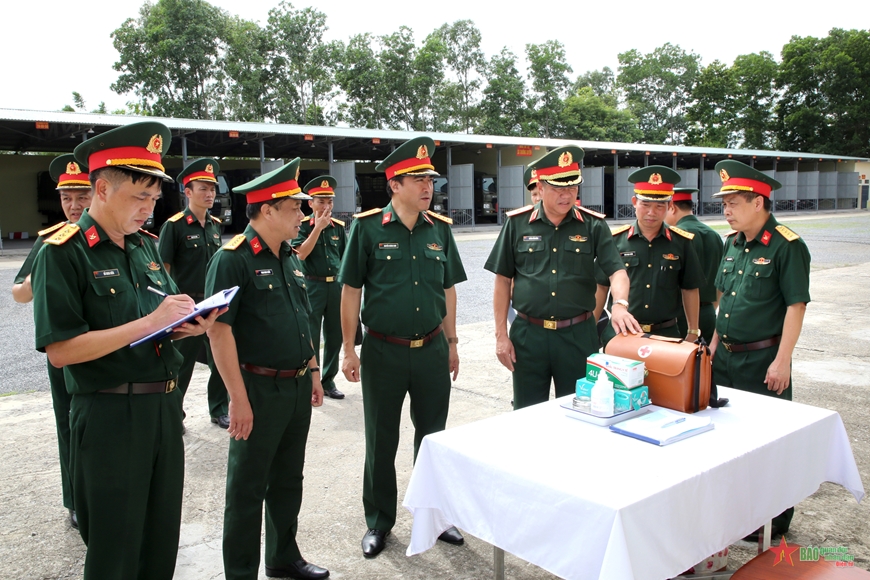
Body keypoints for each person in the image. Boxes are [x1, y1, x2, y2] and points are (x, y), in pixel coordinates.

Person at [31, 121, 221, 580]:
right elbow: (60, 351)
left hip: (161, 408)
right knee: (115, 549)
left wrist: (188, 327)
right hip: (109, 414)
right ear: (101, 188)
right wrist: (151, 321)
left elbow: (159, 326)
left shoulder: (146, 249)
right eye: (139, 197)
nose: (148, 209)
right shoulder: (64, 253)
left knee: (160, 541)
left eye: (154, 200)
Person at [338, 136, 467, 558]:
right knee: (381, 439)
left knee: (433, 439)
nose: (428, 187)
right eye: (418, 180)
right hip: (383, 350)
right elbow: (351, 290)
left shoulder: (440, 231)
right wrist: (348, 348)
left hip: (431, 348)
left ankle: (434, 516)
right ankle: (379, 521)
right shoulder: (368, 227)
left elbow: (448, 290)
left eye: (430, 179)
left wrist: (452, 342)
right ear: (395, 184)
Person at [206, 158, 329, 580]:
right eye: (296, 207)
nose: (303, 214)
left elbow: (301, 316)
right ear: (269, 209)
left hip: (295, 387)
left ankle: (282, 555)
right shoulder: (233, 259)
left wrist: (313, 371)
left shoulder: (290, 256)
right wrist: (236, 399)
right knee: (247, 488)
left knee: (288, 480)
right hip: (256, 388)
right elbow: (219, 333)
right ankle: (240, 572)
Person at [484, 146, 641, 410]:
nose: (566, 195)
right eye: (558, 188)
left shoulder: (593, 225)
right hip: (528, 336)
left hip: (578, 335)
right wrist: (501, 335)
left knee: (580, 411)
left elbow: (617, 270)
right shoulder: (518, 224)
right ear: (541, 187)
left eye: (572, 188)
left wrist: (619, 304)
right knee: (527, 413)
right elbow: (502, 280)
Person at [709, 160, 811, 539]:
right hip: (727, 358)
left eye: (734, 202)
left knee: (767, 446)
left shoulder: (788, 246)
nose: (727, 210)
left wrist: (782, 361)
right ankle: (737, 512)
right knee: (725, 440)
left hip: (763, 361)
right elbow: (723, 304)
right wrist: (712, 352)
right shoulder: (731, 244)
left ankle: (773, 521)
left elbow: (795, 306)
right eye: (725, 204)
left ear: (759, 202)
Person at [12, 153, 92, 529]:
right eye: (66, 198)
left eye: (82, 196)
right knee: (69, 422)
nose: (74, 205)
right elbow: (19, 294)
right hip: (65, 346)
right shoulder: (50, 243)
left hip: (104, 344)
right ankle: (75, 498)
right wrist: (39, 278)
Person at [595, 166, 704, 347]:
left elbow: (690, 288)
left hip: (665, 336)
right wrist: (591, 327)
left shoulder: (682, 242)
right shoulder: (615, 241)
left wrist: (693, 331)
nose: (651, 212)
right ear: (634, 202)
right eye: (645, 205)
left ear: (670, 206)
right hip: (622, 333)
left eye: (659, 206)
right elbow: (601, 286)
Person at [158, 158, 230, 429]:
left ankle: (219, 408)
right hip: (187, 305)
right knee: (181, 364)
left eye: (212, 188)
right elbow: (162, 270)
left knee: (219, 359)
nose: (210, 194)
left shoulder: (214, 225)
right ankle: (174, 414)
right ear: (187, 192)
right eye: (203, 188)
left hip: (213, 303)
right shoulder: (174, 226)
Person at [292, 175, 347, 400]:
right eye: (321, 201)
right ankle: (309, 381)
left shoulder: (339, 228)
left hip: (335, 286)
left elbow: (345, 258)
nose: (326, 206)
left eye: (330, 201)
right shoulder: (303, 226)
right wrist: (318, 228)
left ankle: (328, 380)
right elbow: (300, 254)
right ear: (310, 203)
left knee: (335, 335)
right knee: (311, 335)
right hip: (312, 285)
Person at [665, 187, 724, 343]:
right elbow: (721, 282)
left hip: (680, 315)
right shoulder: (714, 235)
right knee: (705, 365)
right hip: (708, 313)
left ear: (672, 207)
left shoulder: (675, 236)